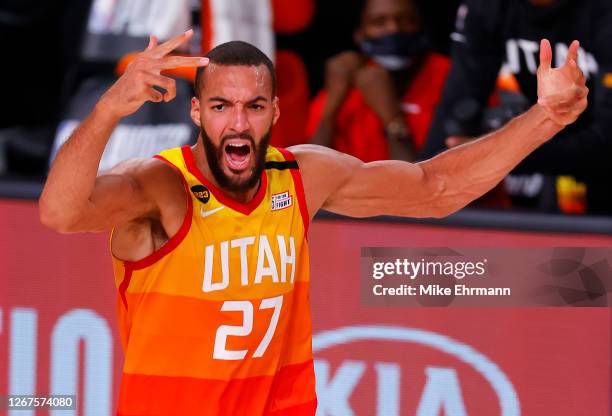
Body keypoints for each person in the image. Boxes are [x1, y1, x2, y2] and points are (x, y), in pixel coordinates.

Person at [39, 29, 587, 415]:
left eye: (254, 106)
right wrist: (111, 107)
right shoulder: (161, 187)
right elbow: (60, 212)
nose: (238, 121)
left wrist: (547, 117)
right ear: (197, 113)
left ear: (275, 112)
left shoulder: (302, 176)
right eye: (222, 106)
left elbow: (436, 190)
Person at [420, 0, 612, 214]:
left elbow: (607, 141)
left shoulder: (602, 13)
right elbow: (456, 106)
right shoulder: (488, 8)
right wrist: (421, 188)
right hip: (552, 142)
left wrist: (498, 152)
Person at [307, 0, 450, 162]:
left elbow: (418, 182)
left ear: (421, 26)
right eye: (378, 22)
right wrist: (332, 105)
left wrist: (392, 119)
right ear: (360, 34)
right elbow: (309, 173)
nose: (393, 29)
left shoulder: (449, 76)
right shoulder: (349, 79)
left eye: (405, 20)